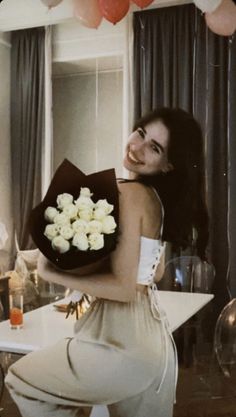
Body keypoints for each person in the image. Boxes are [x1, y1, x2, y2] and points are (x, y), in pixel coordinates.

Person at [5, 107, 209, 417]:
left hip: (121, 342)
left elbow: (125, 290)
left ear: (168, 165)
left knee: (20, 380)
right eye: (140, 133)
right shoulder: (156, 200)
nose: (137, 147)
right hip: (153, 344)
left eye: (154, 147)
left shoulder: (132, 194)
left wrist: (51, 271)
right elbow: (155, 272)